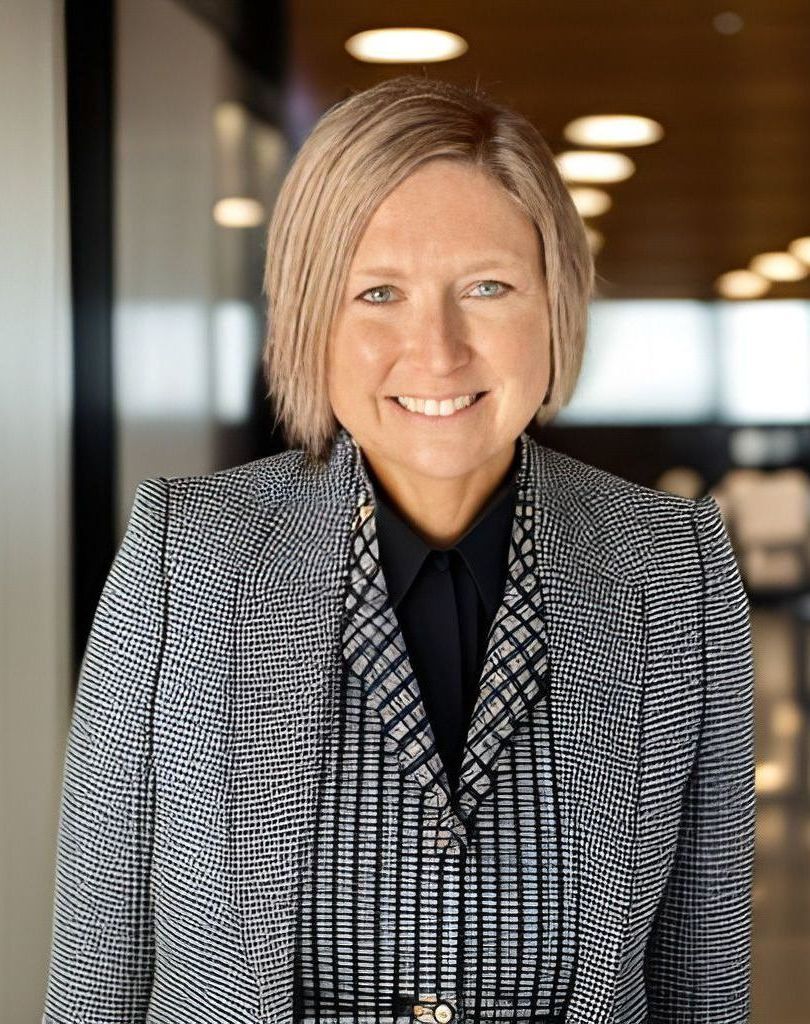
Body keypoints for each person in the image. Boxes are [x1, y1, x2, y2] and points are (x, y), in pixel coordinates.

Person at [41, 75, 756, 1024]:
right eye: (377, 293)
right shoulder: (184, 559)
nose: (437, 350)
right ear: (310, 317)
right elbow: (100, 965)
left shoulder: (677, 568)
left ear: (556, 303)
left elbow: (702, 981)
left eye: (488, 287)